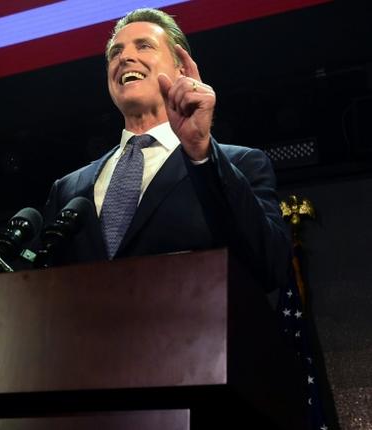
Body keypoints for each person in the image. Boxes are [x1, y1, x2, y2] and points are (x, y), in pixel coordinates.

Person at [43, 8, 290, 292]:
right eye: (115, 53)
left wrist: (200, 150)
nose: (124, 58)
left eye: (144, 46)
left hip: (189, 335)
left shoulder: (239, 163)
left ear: (181, 69)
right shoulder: (67, 189)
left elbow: (271, 266)